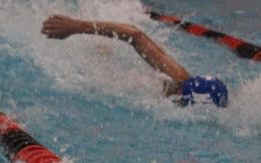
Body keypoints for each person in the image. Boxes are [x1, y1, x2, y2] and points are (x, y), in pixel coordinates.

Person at [41, 14, 229, 107]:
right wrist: (77, 26)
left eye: (180, 92)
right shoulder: (178, 77)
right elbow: (135, 34)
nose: (177, 89)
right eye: (181, 87)